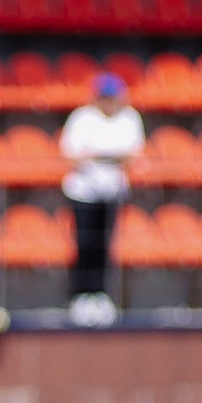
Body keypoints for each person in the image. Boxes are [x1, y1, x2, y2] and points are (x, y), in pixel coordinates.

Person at [59, 71, 143, 296]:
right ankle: (80, 295)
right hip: (83, 193)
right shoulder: (82, 117)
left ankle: (100, 295)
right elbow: (71, 155)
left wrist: (96, 156)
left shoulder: (129, 117)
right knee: (85, 245)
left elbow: (132, 156)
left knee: (105, 247)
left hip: (112, 193)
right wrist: (108, 156)